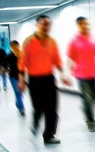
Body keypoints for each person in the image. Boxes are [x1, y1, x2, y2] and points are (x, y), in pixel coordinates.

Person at [19, 15, 72, 144]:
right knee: (38, 108)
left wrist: (63, 75)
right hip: (34, 80)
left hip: (49, 79)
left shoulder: (52, 42)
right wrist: (21, 81)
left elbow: (57, 61)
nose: (47, 27)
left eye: (48, 25)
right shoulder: (28, 42)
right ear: (37, 25)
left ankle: (49, 135)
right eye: (44, 24)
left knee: (52, 109)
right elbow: (22, 64)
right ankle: (36, 123)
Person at [66, 17, 95, 132]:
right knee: (87, 99)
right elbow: (70, 58)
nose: (86, 26)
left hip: (94, 74)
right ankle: (90, 122)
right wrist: (67, 74)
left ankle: (85, 107)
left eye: (87, 24)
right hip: (81, 75)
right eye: (83, 24)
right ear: (78, 25)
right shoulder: (74, 41)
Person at [7, 41, 25, 116]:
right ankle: (21, 108)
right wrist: (1, 73)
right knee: (18, 91)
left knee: (19, 93)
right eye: (13, 46)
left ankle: (18, 103)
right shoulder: (9, 55)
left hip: (22, 76)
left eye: (16, 45)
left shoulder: (22, 55)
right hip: (13, 76)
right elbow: (5, 65)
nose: (15, 47)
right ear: (11, 47)